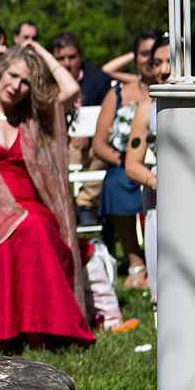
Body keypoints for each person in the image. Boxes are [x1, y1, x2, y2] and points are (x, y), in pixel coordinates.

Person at [0, 42, 94, 350]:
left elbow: (70, 90)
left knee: (34, 225)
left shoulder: (32, 117)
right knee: (25, 225)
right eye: (13, 76)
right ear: (0, 73)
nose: (16, 86)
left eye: (26, 82)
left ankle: (25, 331)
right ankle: (34, 331)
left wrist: (41, 53)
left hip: (29, 204)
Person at [91, 29, 164, 289]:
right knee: (116, 182)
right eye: (144, 54)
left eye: (154, 55)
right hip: (124, 164)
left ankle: (160, 258)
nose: (149, 61)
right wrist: (124, 161)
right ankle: (136, 262)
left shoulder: (170, 89)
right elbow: (99, 143)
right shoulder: (119, 93)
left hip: (161, 163)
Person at [48, 30, 113, 226]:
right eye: (61, 58)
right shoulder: (46, 82)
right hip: (61, 147)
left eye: (72, 57)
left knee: (106, 153)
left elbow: (111, 119)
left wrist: (91, 139)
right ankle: (65, 208)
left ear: (80, 56)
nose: (67, 63)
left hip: (95, 147)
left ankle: (82, 205)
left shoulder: (99, 79)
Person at [124, 35, 169, 302]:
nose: (163, 70)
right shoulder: (146, 110)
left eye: (171, 62)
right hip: (160, 200)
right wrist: (158, 182)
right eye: (157, 63)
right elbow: (132, 164)